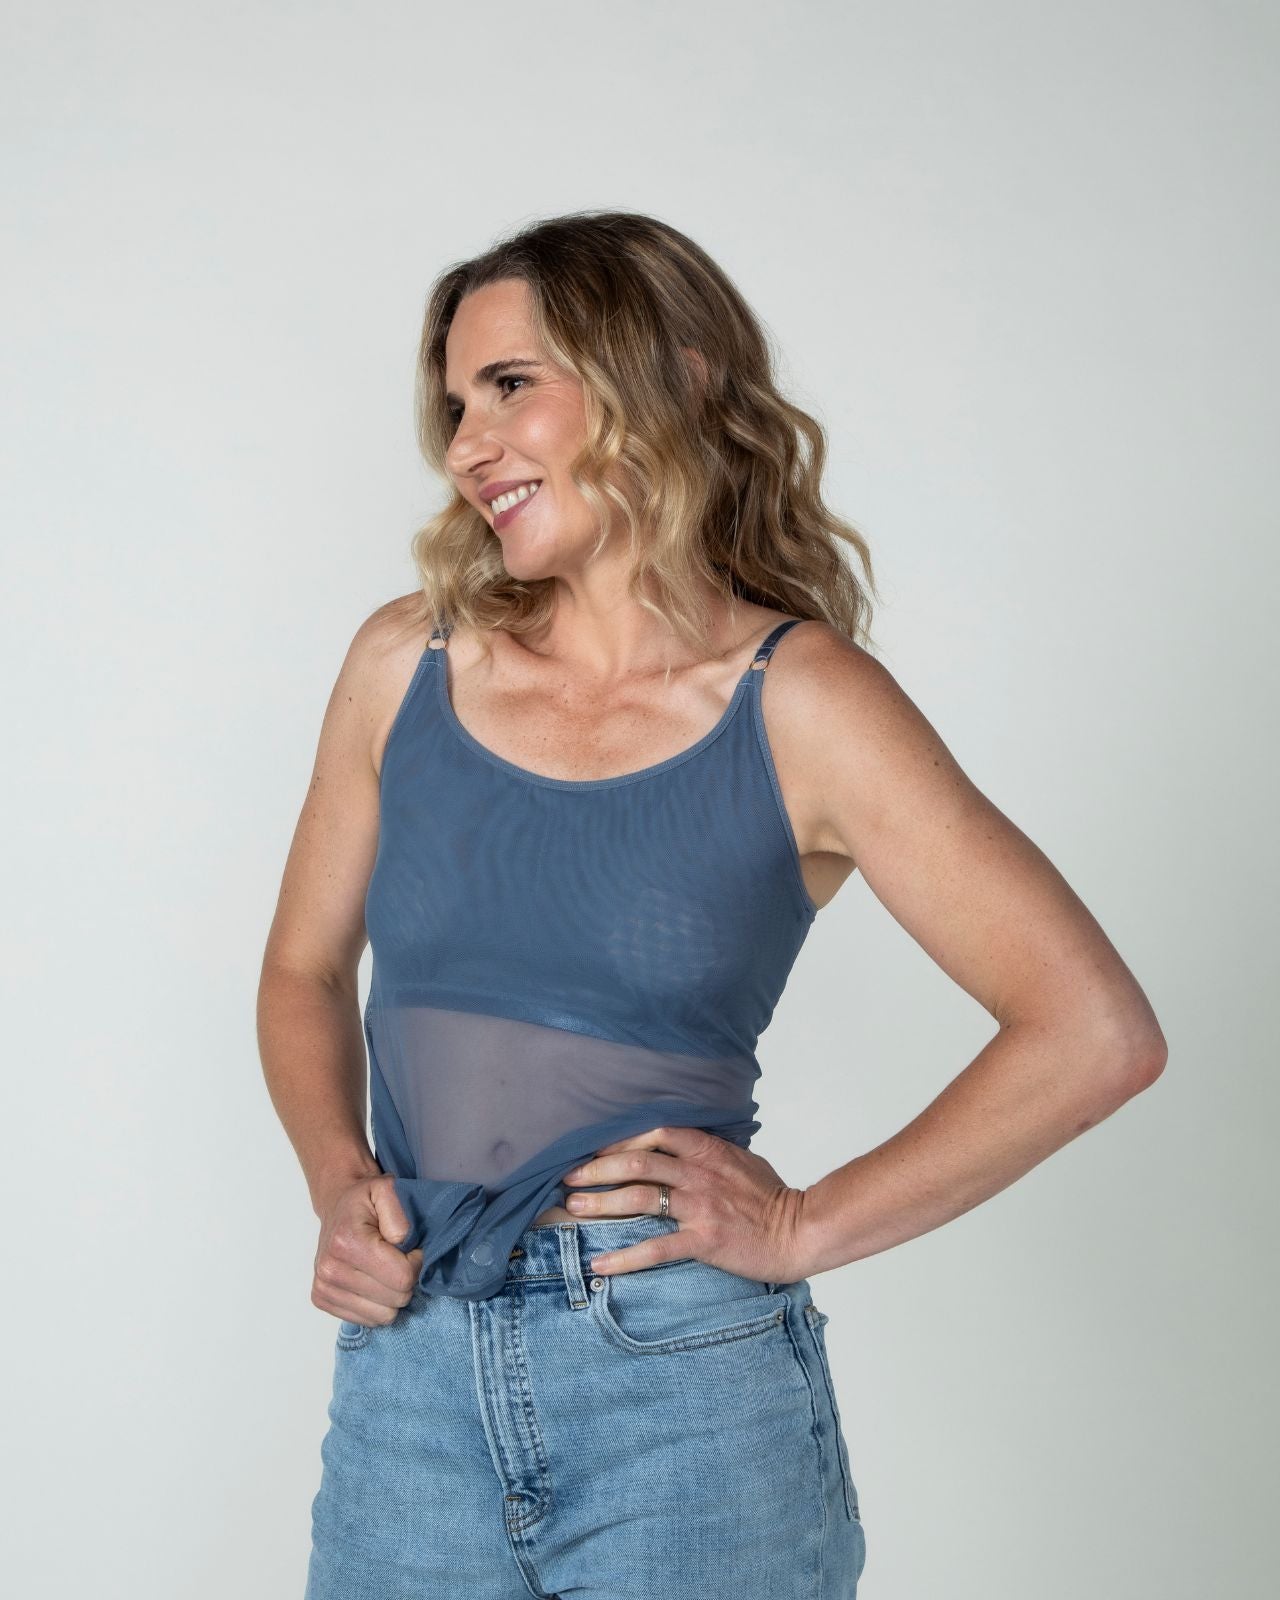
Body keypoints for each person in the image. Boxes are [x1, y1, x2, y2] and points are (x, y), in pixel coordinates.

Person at [258, 210, 1167, 1598]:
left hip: (676, 1382)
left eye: (511, 386)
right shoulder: (405, 662)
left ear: (670, 379)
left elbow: (1094, 1031)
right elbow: (306, 972)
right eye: (456, 406)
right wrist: (339, 1184)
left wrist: (804, 1226)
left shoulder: (803, 704)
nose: (467, 446)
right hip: (412, 1364)